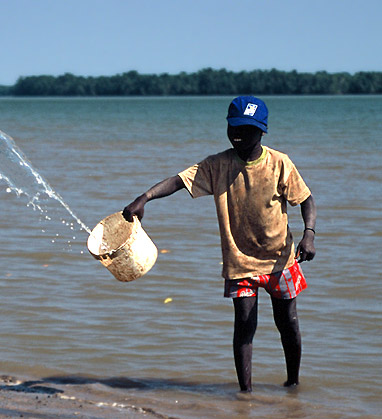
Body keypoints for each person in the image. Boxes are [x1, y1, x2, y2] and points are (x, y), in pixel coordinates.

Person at [122, 96, 317, 392]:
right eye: (234, 129)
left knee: (287, 323)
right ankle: (246, 394)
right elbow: (178, 181)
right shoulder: (217, 165)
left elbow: (305, 199)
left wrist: (309, 233)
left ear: (262, 131)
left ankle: (293, 383)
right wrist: (144, 197)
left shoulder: (280, 163)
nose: (238, 135)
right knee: (244, 325)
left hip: (281, 259)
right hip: (240, 262)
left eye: (247, 130)